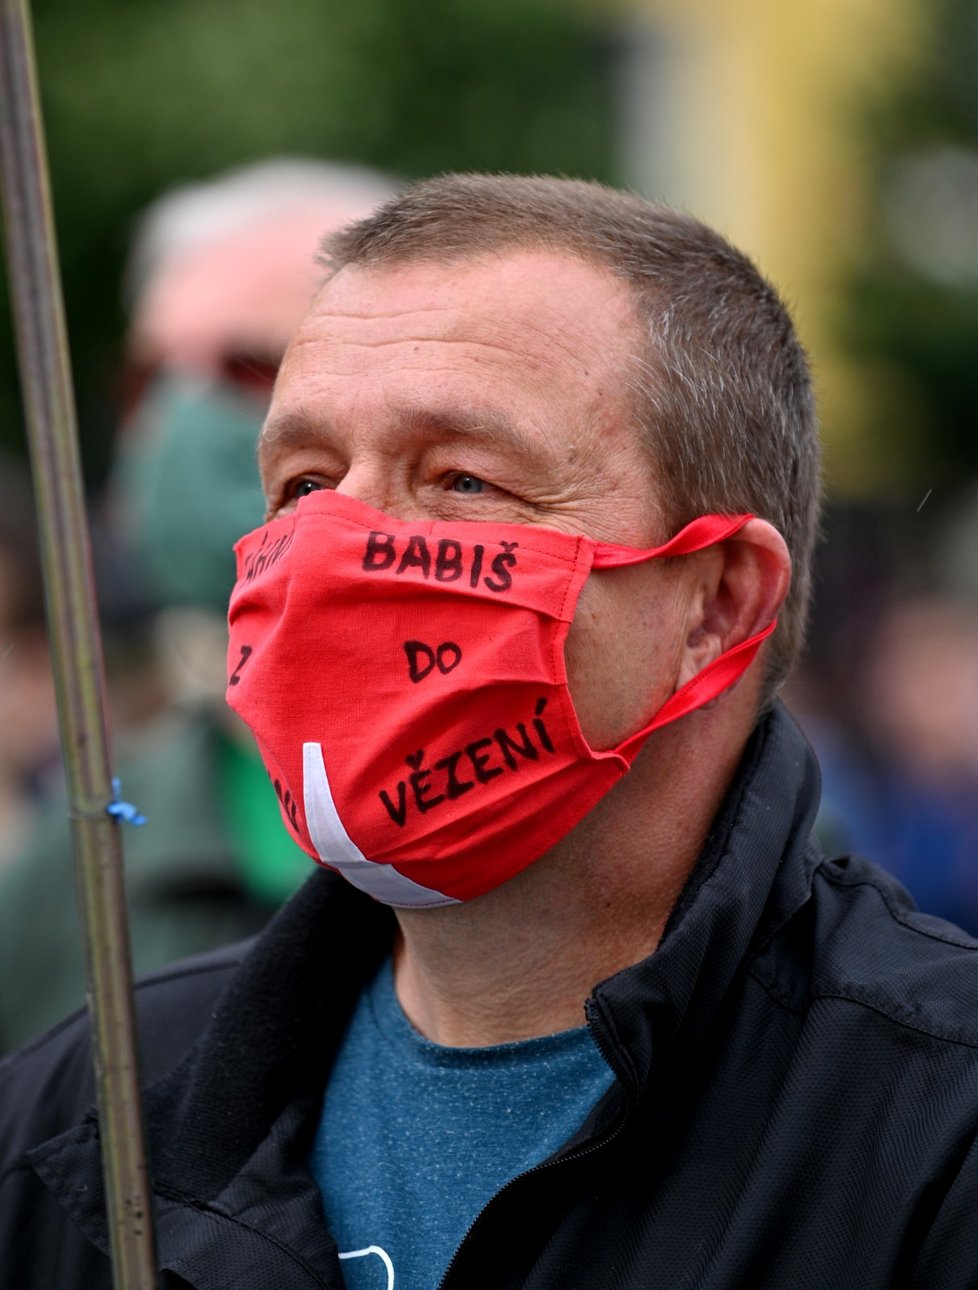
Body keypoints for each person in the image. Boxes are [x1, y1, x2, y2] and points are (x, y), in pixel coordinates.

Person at [2, 173, 978, 1289]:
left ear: (716, 600)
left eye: (463, 479)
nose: (336, 547)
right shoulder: (86, 1123)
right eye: (303, 483)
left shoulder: (936, 1135)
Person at [0, 159, 399, 1052]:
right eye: (149, 383)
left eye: (251, 366)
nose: (182, 421)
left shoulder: (585, 829)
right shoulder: (65, 881)